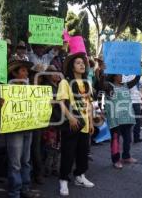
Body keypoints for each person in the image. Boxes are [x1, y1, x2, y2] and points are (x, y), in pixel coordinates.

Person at [57, 52, 95, 196]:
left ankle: (80, 176)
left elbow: (89, 104)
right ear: (72, 67)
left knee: (82, 153)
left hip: (85, 125)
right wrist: (71, 117)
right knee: (68, 153)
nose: (82, 65)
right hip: (71, 124)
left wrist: (91, 122)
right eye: (78, 63)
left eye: (83, 63)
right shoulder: (65, 82)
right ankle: (63, 180)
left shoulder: (87, 84)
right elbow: (61, 102)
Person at [4, 60, 38, 198]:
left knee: (25, 161)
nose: (26, 74)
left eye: (27, 71)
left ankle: (25, 188)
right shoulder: (6, 89)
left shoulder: (30, 89)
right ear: (14, 73)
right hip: (14, 130)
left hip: (28, 128)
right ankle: (14, 193)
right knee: (16, 163)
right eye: (23, 71)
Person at [99, 71, 140, 169]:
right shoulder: (109, 86)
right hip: (115, 118)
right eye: (119, 75)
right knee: (115, 140)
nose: (122, 76)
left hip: (127, 117)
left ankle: (126, 156)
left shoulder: (126, 85)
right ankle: (116, 160)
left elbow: (136, 80)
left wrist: (138, 69)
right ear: (114, 76)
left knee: (128, 139)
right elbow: (101, 84)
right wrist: (102, 74)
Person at [122, 75, 142, 143]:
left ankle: (127, 138)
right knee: (137, 120)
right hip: (135, 101)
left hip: (125, 101)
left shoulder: (121, 75)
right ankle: (136, 137)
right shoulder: (136, 75)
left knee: (127, 121)